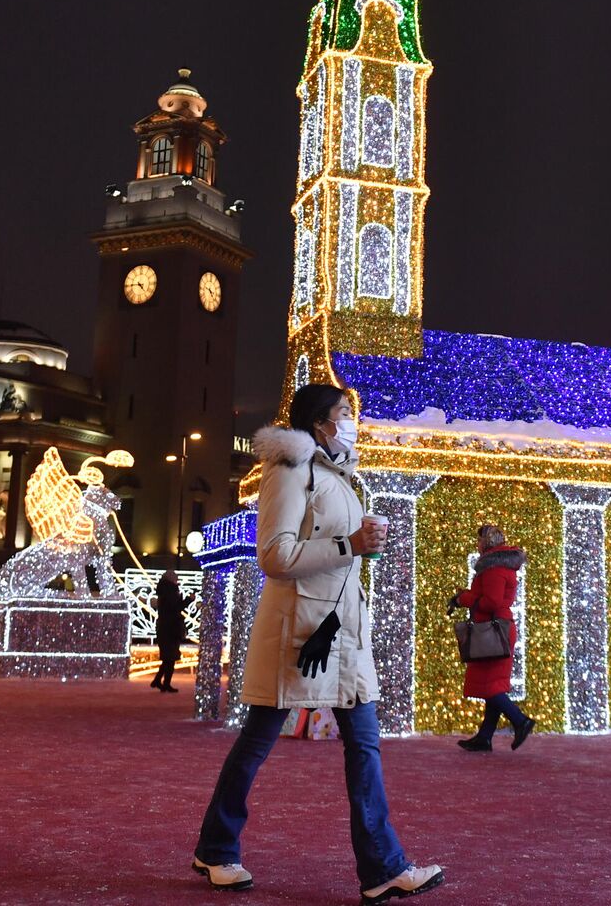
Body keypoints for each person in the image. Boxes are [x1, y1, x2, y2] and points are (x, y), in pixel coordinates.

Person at [191, 384, 443, 901]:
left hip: (341, 634)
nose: (352, 420)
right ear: (318, 422)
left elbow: (334, 554)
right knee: (256, 743)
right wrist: (348, 544)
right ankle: (217, 848)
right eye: (343, 413)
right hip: (298, 634)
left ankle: (383, 868)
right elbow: (274, 557)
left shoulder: (337, 475)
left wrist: (358, 548)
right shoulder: (290, 470)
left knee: (364, 745)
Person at [451, 524, 534, 752]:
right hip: (497, 630)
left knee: (491, 687)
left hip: (493, 631)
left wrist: (464, 599)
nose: (477, 544)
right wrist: (467, 596)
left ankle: (520, 720)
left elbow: (492, 601)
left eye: (479, 540)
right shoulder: (498, 565)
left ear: (486, 542)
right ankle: (485, 737)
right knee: (492, 684)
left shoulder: (493, 568)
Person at [152, 567, 190, 693]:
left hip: (164, 628)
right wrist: (189, 600)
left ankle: (158, 681)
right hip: (171, 628)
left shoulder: (163, 591)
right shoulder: (171, 591)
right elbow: (176, 608)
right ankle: (164, 682)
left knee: (168, 658)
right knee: (170, 658)